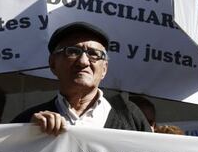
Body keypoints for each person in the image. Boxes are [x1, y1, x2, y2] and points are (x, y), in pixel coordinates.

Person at [11, 22, 151, 135]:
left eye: (94, 54)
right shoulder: (28, 122)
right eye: (72, 52)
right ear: (53, 64)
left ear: (104, 69)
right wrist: (25, 133)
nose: (83, 61)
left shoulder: (130, 117)